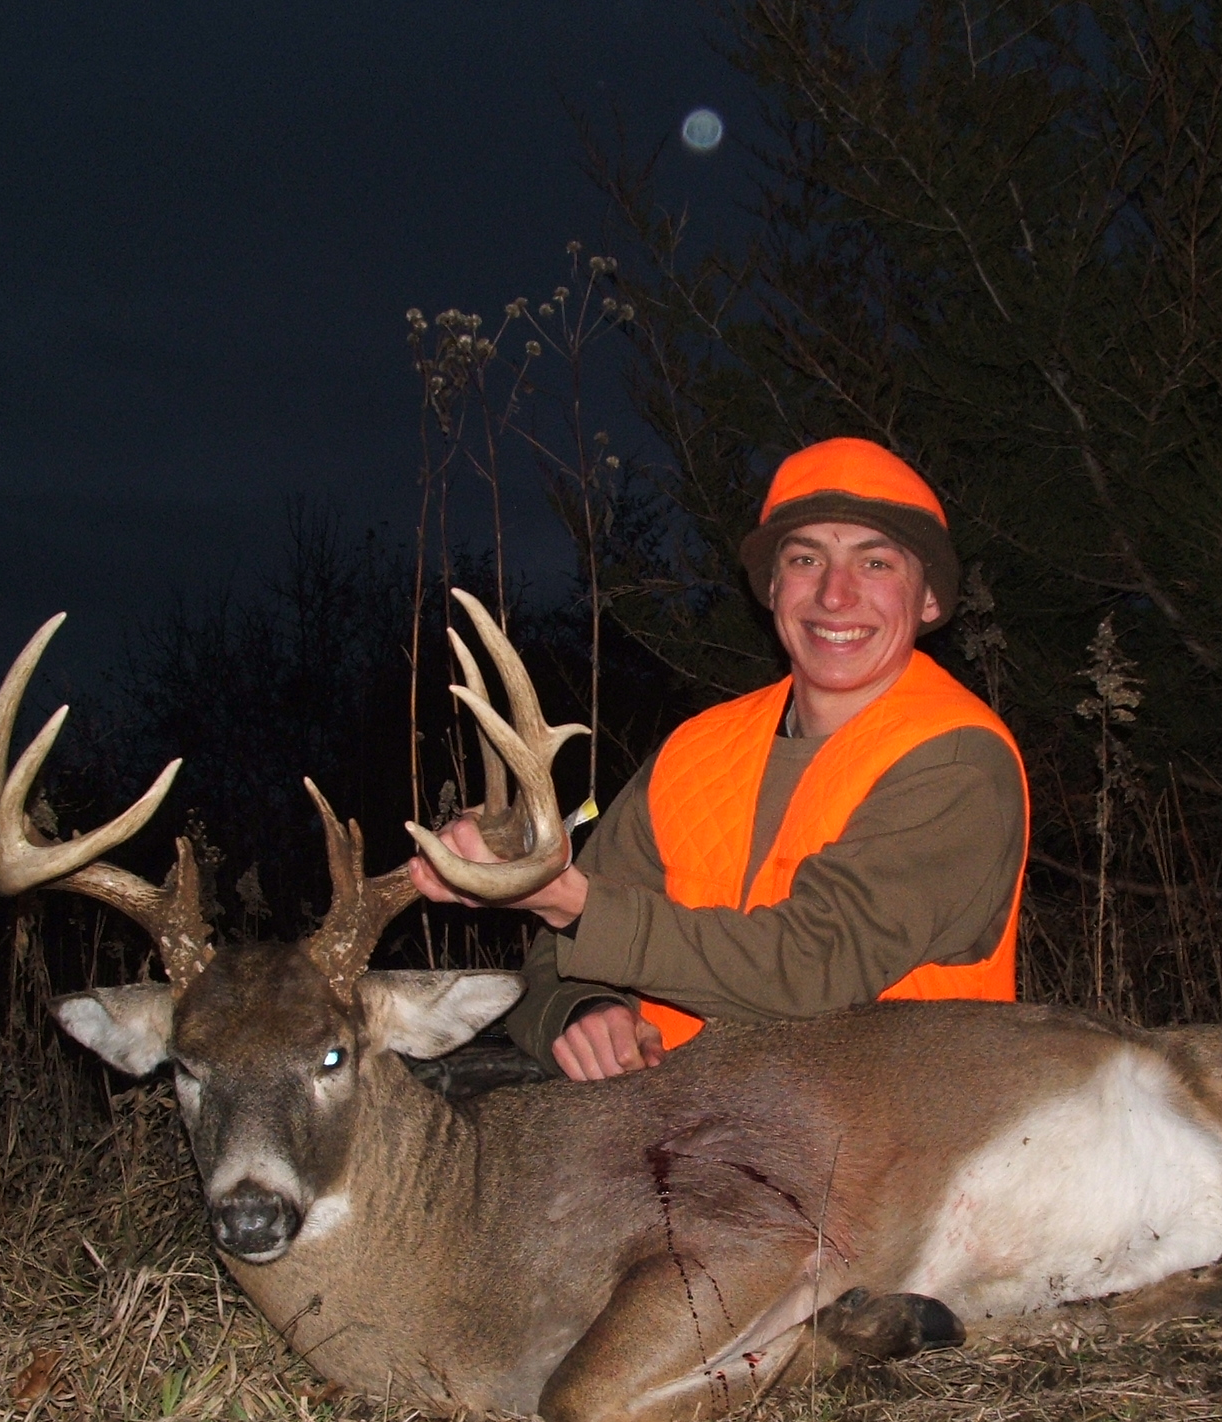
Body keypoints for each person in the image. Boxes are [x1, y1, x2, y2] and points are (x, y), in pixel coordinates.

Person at [409, 437, 1029, 1080]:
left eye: (876, 565)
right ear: (771, 588)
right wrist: (584, 1008)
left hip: (897, 1148)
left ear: (929, 599)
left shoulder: (956, 761)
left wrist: (570, 901)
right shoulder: (697, 751)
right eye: (805, 558)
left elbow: (813, 968)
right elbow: (556, 955)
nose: (835, 595)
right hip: (687, 1136)